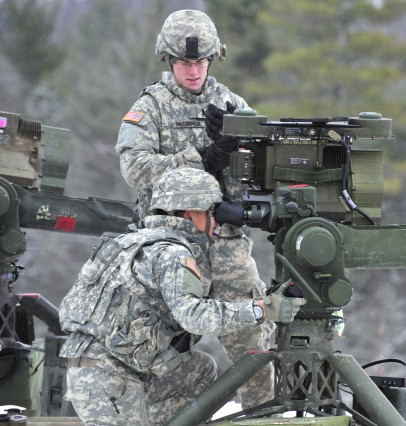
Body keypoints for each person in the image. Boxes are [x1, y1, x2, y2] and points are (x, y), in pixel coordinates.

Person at [114, 9, 274, 409]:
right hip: (169, 246)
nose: (193, 70)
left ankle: (265, 415)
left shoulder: (230, 103)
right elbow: (135, 169)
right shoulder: (151, 106)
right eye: (186, 62)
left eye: (201, 61)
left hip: (224, 243)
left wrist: (238, 149)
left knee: (253, 340)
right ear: (170, 60)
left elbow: (263, 173)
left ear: (212, 59)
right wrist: (200, 157)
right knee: (155, 346)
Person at [58, 168, 306, 425]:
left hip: (104, 368)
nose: (216, 222)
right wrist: (260, 310)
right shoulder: (173, 253)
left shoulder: (131, 241)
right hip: (109, 378)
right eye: (211, 213)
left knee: (199, 369)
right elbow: (194, 317)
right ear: (190, 213)